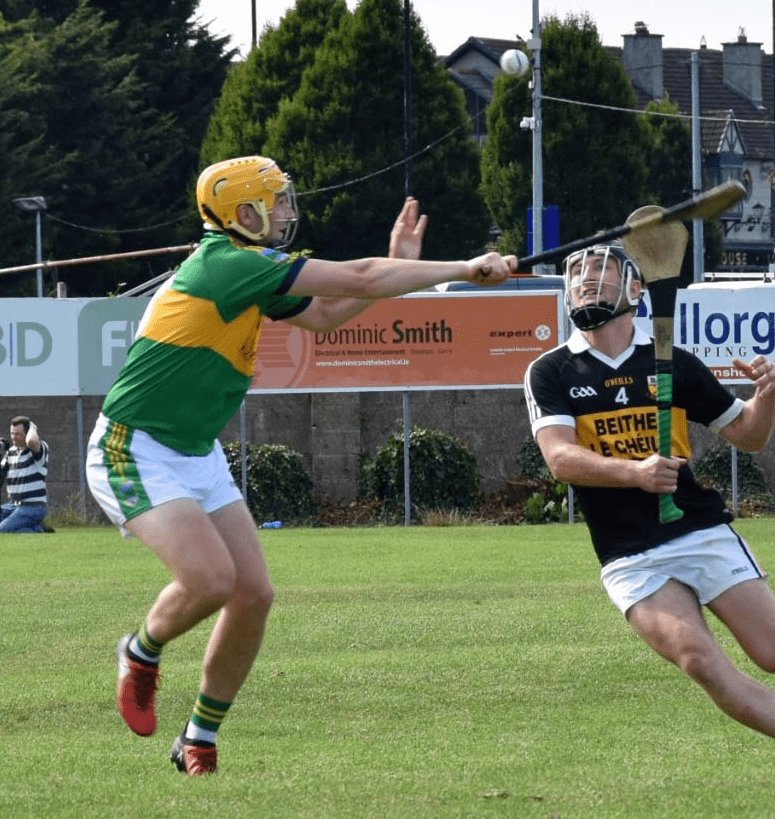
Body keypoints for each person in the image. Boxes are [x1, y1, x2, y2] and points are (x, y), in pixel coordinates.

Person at [86, 155, 516, 775]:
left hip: (195, 451)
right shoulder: (229, 263)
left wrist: (402, 265)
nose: (287, 212)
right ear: (242, 215)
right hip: (135, 446)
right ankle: (141, 650)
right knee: (210, 580)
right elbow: (362, 277)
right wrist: (465, 268)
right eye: (276, 202)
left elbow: (323, 314)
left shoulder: (250, 271)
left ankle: (199, 738)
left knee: (254, 594)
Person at [522, 243, 775, 768]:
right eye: (578, 274)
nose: (586, 281)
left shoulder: (672, 362)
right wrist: (634, 473)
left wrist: (766, 398)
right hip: (629, 554)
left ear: (636, 290)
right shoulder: (550, 372)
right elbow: (560, 459)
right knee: (699, 661)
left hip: (697, 530)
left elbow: (748, 436)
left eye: (601, 270)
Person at [0, 416, 50, 533]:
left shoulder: (39, 448)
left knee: (3, 529)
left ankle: (39, 529)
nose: (13, 437)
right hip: (13, 505)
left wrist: (32, 426)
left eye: (18, 434)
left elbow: (32, 441)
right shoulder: (11, 452)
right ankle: (22, 526)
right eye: (12, 433)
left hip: (33, 506)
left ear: (27, 433)